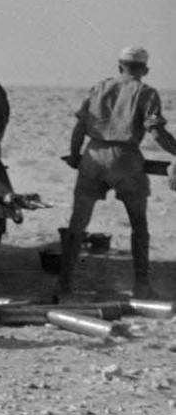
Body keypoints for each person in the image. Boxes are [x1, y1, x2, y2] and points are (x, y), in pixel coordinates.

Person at [58, 46, 176, 299]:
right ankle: (141, 285)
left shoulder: (99, 87)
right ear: (144, 70)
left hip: (93, 156)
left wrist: (75, 155)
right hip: (126, 160)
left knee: (77, 226)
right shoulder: (146, 92)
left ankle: (64, 284)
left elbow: (79, 128)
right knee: (139, 225)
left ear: (119, 65)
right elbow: (156, 131)